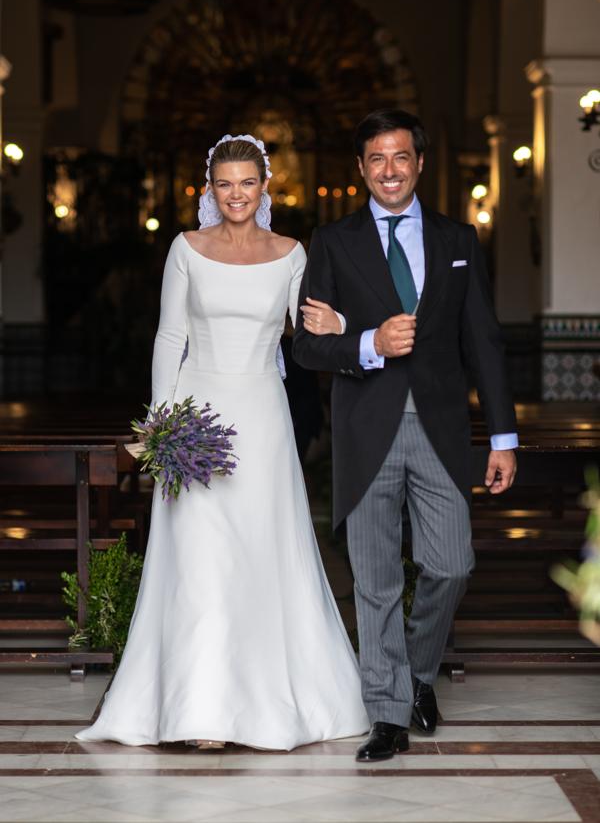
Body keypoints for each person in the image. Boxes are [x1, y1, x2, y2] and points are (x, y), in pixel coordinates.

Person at [76, 135, 369, 750]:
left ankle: (266, 702)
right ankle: (202, 707)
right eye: (225, 183)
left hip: (262, 415)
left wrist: (343, 325)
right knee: (200, 559)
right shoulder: (186, 249)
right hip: (195, 414)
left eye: (248, 182)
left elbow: (309, 338)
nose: (236, 194)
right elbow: (167, 339)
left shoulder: (292, 253)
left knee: (262, 552)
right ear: (209, 189)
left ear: (266, 187)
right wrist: (161, 426)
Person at [293, 109, 518, 762]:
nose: (389, 170)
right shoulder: (332, 242)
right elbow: (308, 346)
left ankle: (419, 672)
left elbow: (485, 344)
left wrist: (502, 437)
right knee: (375, 577)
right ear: (361, 169)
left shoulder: (459, 239)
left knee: (452, 564)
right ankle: (388, 712)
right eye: (376, 160)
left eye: (400, 157)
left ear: (419, 163)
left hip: (443, 429)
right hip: (366, 428)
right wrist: (367, 340)